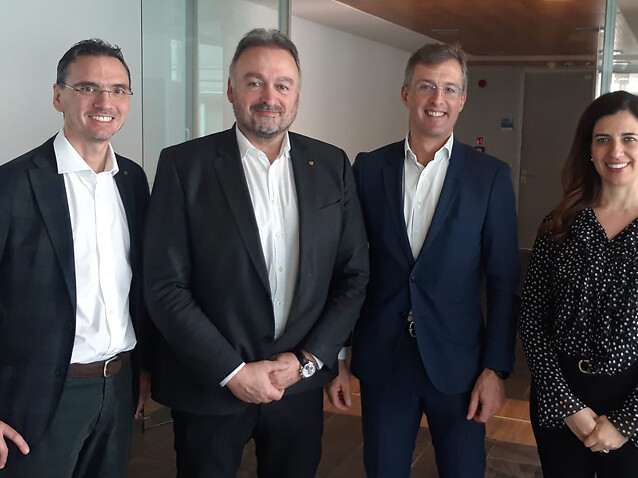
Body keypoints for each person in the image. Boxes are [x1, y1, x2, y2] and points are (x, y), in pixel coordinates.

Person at [143, 28, 369, 478]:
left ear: (297, 96)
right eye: (254, 82)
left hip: (297, 388)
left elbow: (353, 275)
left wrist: (309, 360)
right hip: (210, 387)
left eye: (283, 85)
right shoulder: (183, 166)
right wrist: (232, 371)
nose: (269, 97)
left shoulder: (332, 165)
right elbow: (165, 285)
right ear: (231, 90)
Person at [325, 42, 520, 478]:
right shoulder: (368, 169)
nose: (438, 99)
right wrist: (336, 355)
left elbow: (503, 280)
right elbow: (345, 267)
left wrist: (496, 369)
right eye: (426, 86)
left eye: (449, 89)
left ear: (462, 99)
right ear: (406, 94)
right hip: (384, 358)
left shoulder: (489, 177)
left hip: (460, 364)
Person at [0, 39, 152, 478]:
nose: (105, 102)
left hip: (118, 389)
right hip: (35, 399)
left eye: (118, 90)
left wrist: (142, 371)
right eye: (87, 88)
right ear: (58, 96)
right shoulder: (12, 185)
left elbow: (140, 288)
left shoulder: (133, 181)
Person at [520, 90, 638, 477]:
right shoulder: (560, 224)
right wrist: (567, 405)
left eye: (629, 138)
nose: (616, 151)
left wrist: (626, 421)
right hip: (560, 399)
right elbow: (532, 318)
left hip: (632, 405)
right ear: (588, 148)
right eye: (603, 139)